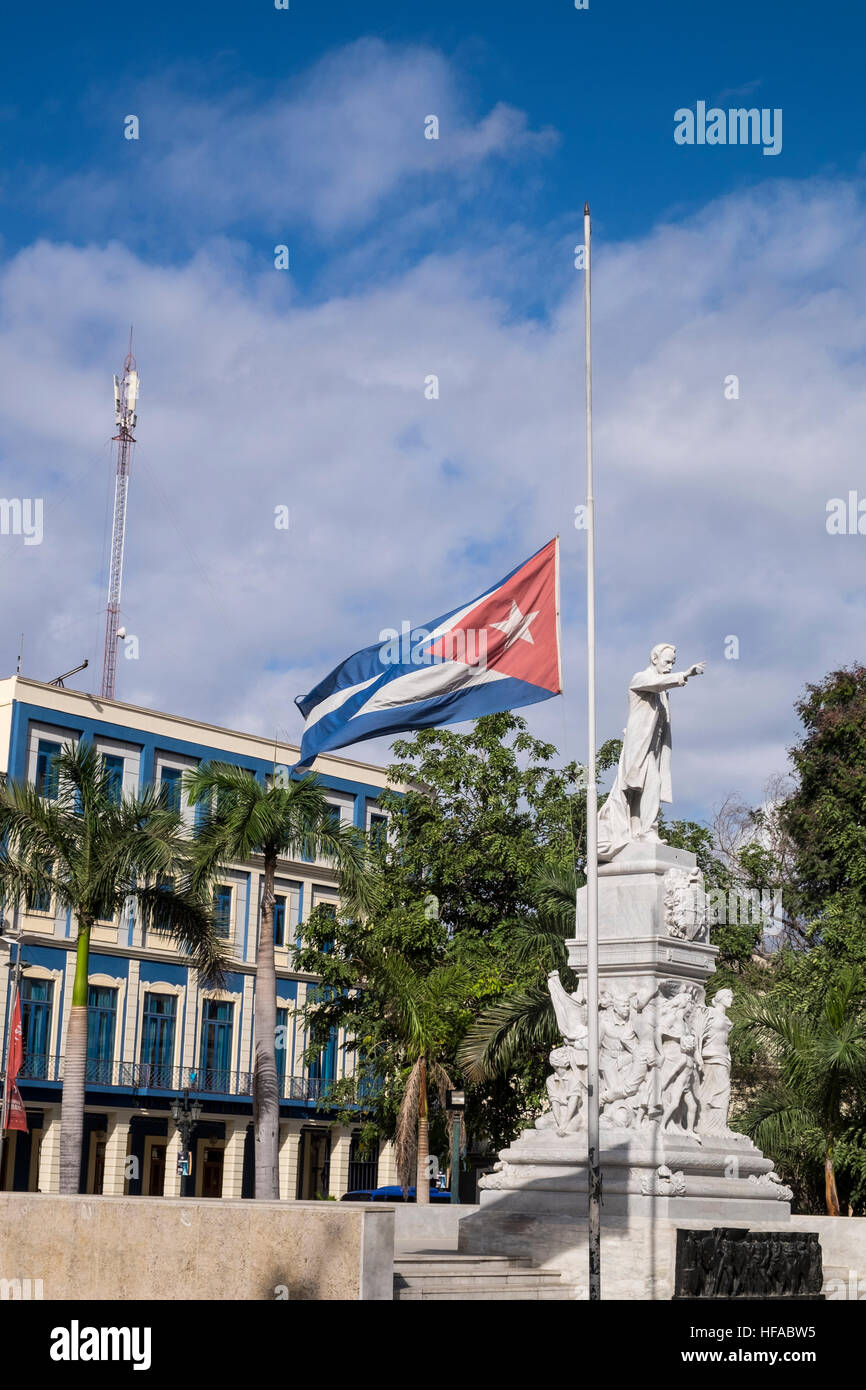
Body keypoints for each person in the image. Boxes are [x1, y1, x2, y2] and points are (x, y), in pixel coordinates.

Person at [598, 644, 705, 860]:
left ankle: (639, 831)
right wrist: (684, 674)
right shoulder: (640, 678)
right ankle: (647, 831)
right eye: (667, 662)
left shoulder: (663, 695)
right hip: (638, 748)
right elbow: (657, 684)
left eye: (673, 663)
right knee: (649, 785)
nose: (670, 666)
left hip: (653, 749)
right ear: (654, 658)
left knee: (641, 790)